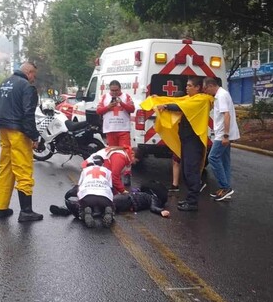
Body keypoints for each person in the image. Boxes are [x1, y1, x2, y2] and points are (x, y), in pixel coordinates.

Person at [140, 76, 214, 211]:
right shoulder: (190, 99)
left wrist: (166, 106)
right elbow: (177, 100)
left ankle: (192, 202)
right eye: (186, 85)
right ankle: (189, 198)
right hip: (186, 140)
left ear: (197, 88)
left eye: (190, 86)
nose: (186, 88)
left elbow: (179, 105)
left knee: (191, 171)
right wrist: (158, 99)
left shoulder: (201, 99)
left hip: (194, 141)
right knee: (186, 170)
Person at [0, 61, 43, 222]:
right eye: (34, 73)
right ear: (28, 72)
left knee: (5, 169)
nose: (34, 78)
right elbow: (28, 114)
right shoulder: (27, 87)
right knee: (23, 169)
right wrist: (34, 137)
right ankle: (26, 211)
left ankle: (2, 208)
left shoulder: (5, 83)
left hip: (4, 130)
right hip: (18, 132)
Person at [50, 180, 170, 219]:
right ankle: (70, 209)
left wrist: (160, 211)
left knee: (103, 206)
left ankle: (72, 209)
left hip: (128, 201)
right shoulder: (145, 193)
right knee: (102, 205)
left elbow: (154, 207)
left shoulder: (152, 197)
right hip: (126, 200)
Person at [203, 77, 241, 201]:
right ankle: (225, 189)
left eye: (205, 88)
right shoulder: (221, 95)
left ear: (210, 86)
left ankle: (225, 187)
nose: (206, 91)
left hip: (223, 134)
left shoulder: (221, 96)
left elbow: (226, 115)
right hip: (222, 133)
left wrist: (225, 135)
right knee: (225, 161)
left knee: (212, 158)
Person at [96, 80, 135, 147]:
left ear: (120, 89)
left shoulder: (126, 96)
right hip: (110, 130)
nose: (114, 92)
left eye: (116, 90)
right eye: (112, 90)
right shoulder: (104, 97)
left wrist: (122, 103)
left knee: (125, 152)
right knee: (113, 153)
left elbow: (132, 109)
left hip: (123, 130)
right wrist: (108, 107)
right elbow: (98, 111)